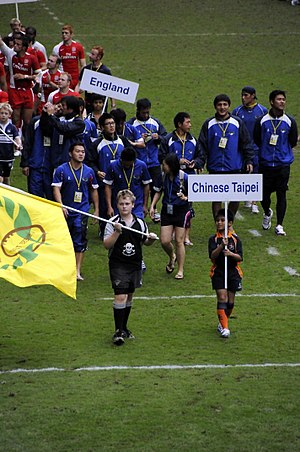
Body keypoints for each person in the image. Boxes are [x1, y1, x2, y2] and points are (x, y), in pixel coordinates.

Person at [103, 189, 157, 345]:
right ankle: (118, 332)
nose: (124, 206)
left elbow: (144, 241)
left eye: (127, 203)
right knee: (120, 296)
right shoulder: (112, 222)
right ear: (117, 205)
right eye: (121, 204)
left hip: (135, 264)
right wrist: (116, 232)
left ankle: (124, 327)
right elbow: (106, 245)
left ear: (133, 205)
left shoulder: (140, 223)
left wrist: (151, 239)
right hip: (118, 264)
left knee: (129, 296)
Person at [198, 94, 254, 220]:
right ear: (215, 106)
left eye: (225, 104)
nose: (222, 107)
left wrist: (249, 160)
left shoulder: (237, 122)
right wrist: (201, 162)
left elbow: (246, 142)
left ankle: (229, 223)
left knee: (235, 198)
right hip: (215, 167)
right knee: (217, 199)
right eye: (219, 105)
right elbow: (202, 145)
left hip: (234, 166)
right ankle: (218, 225)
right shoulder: (209, 123)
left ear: (229, 106)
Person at [253, 89, 298, 236]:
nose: (282, 102)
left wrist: (282, 154)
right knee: (264, 195)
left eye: (283, 99)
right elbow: (257, 139)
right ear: (271, 102)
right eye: (279, 99)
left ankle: (279, 224)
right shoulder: (261, 120)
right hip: (265, 164)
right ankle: (267, 212)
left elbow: (292, 141)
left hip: (282, 164)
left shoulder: (290, 121)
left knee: (281, 193)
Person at [52, 142, 99, 280]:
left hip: (82, 211)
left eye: (83, 152)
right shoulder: (61, 170)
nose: (80, 154)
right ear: (70, 153)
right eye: (78, 151)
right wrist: (61, 205)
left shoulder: (89, 171)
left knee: (80, 240)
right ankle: (63, 269)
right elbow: (56, 188)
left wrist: (96, 210)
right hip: (66, 210)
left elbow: (94, 190)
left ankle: (77, 270)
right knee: (64, 240)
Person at [160, 111, 201, 246]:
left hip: (188, 177)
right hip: (172, 177)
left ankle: (186, 236)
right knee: (172, 202)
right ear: (179, 124)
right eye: (187, 122)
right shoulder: (168, 139)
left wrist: (196, 163)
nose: (190, 125)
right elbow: (161, 157)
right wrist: (178, 161)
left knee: (188, 206)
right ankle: (173, 232)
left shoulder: (193, 139)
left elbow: (201, 155)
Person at [87, 113, 130, 238]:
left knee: (122, 204)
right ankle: (104, 229)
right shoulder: (97, 144)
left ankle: (123, 229)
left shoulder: (123, 140)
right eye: (108, 124)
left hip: (121, 180)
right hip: (104, 181)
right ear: (101, 127)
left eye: (113, 123)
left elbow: (131, 156)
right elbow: (90, 161)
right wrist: (97, 171)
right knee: (105, 206)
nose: (111, 126)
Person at [150, 153, 189, 280]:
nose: (163, 167)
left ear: (171, 166)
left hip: (181, 210)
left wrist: (186, 197)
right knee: (164, 241)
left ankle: (181, 269)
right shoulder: (162, 176)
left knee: (179, 241)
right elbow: (158, 191)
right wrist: (152, 206)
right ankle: (172, 256)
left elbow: (194, 194)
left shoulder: (184, 177)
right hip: (167, 210)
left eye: (165, 165)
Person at [128, 98, 167, 222]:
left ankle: (153, 209)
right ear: (138, 110)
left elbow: (165, 137)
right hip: (139, 162)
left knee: (157, 187)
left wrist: (158, 137)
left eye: (147, 112)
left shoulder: (155, 122)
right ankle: (138, 210)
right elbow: (126, 140)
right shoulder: (131, 124)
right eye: (143, 112)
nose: (145, 115)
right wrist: (138, 140)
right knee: (140, 186)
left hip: (154, 161)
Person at [232, 86, 268, 214]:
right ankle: (245, 195)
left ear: (253, 96)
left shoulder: (262, 111)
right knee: (242, 172)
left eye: (246, 95)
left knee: (256, 174)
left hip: (256, 148)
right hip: (240, 149)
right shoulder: (236, 112)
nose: (243, 98)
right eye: (242, 95)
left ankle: (254, 202)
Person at [208, 208, 243, 338]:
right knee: (222, 298)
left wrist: (231, 254)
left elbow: (240, 257)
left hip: (233, 272)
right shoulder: (213, 240)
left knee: (230, 303)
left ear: (230, 223)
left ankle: (222, 322)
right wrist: (221, 246)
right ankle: (225, 328)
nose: (219, 223)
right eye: (217, 220)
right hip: (219, 271)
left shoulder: (235, 240)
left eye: (223, 220)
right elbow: (212, 256)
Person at [0, 34, 41, 135]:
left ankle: (26, 141)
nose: (15, 46)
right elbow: (1, 43)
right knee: (15, 118)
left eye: (18, 44)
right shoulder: (10, 54)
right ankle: (16, 139)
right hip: (14, 90)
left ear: (23, 47)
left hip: (27, 91)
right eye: (15, 44)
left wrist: (25, 77)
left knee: (27, 121)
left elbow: (38, 74)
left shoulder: (32, 58)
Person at [104, 146, 151, 220]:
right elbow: (107, 186)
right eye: (125, 164)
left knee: (136, 227)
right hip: (120, 204)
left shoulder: (141, 165)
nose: (127, 166)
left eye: (130, 164)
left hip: (137, 204)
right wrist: (109, 206)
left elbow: (146, 185)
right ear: (121, 159)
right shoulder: (113, 166)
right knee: (120, 228)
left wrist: (145, 205)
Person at [40, 96, 85, 169]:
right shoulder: (59, 119)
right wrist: (45, 114)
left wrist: (51, 115)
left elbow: (64, 129)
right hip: (56, 162)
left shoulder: (79, 123)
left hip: (71, 164)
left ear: (70, 108)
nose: (61, 108)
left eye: (63, 105)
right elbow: (46, 130)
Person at [76, 45, 115, 113]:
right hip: (88, 103)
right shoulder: (86, 69)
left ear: (99, 57)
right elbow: (79, 84)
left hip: (100, 104)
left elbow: (111, 89)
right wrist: (76, 95)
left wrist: (113, 104)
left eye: (93, 54)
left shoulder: (105, 71)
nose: (90, 55)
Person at [52, 24, 86, 90]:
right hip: (63, 79)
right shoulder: (57, 48)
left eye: (66, 33)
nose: (64, 35)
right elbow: (53, 65)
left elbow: (83, 65)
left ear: (71, 34)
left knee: (75, 98)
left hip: (76, 79)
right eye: (63, 33)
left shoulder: (78, 47)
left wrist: (82, 81)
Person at [0, 102, 22, 184]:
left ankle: (7, 191)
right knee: (0, 178)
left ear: (9, 115)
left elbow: (17, 138)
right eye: (1, 113)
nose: (3, 115)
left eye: (6, 113)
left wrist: (18, 145)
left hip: (8, 157)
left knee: (6, 177)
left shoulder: (12, 127)